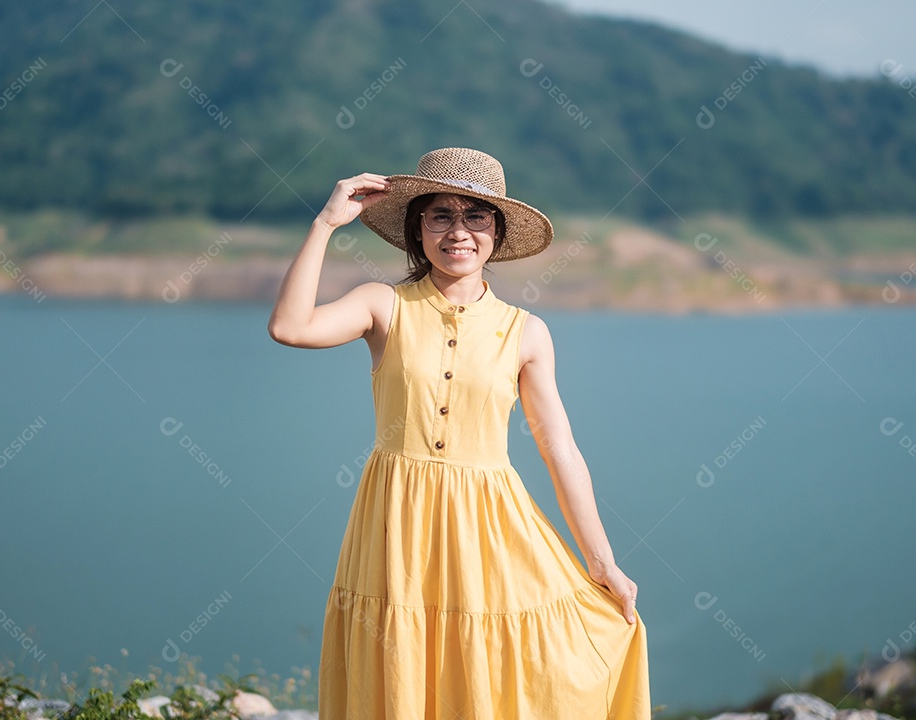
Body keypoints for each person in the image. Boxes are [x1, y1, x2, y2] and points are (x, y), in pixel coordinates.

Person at [268, 147, 651, 719]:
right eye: (440, 215)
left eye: (475, 216)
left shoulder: (525, 333)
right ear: (415, 228)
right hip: (396, 518)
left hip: (491, 524)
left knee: (488, 663)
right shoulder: (383, 305)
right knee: (397, 657)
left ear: (496, 233)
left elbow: (559, 448)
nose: (458, 233)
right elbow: (290, 327)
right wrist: (325, 224)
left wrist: (602, 562)